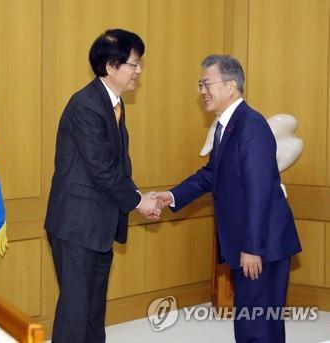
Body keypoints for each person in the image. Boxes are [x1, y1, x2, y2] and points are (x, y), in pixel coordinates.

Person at [155, 55, 302, 343]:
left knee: (256, 330)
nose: (202, 91)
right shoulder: (229, 126)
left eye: (206, 84)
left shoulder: (251, 126)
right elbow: (211, 174)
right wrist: (171, 196)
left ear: (230, 86)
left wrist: (251, 247)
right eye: (200, 85)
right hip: (255, 243)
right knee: (255, 326)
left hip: (262, 246)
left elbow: (259, 190)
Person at [44, 29, 160, 343]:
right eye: (133, 64)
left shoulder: (113, 104)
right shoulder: (86, 106)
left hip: (97, 225)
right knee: (76, 311)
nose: (139, 71)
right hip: (77, 225)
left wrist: (139, 197)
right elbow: (102, 170)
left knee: (92, 311)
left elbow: (118, 166)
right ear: (110, 66)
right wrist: (138, 201)